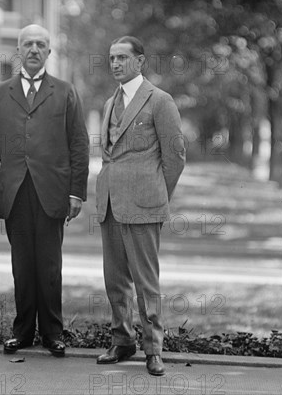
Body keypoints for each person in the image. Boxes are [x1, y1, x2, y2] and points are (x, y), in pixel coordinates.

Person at [0, 24, 89, 358]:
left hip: (52, 191)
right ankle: (23, 332)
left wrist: (76, 192)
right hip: (15, 190)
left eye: (41, 44)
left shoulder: (65, 92)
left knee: (50, 266)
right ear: (19, 51)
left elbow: (79, 145)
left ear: (49, 52)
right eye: (28, 44)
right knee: (22, 265)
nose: (34, 49)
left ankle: (53, 333)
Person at [95, 36, 186, 376]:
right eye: (111, 58)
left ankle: (153, 349)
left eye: (121, 57)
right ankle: (122, 341)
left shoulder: (159, 101)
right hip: (109, 205)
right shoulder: (108, 103)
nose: (115, 63)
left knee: (146, 282)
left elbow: (175, 156)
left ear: (139, 61)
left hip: (144, 205)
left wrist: (157, 195)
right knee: (114, 280)